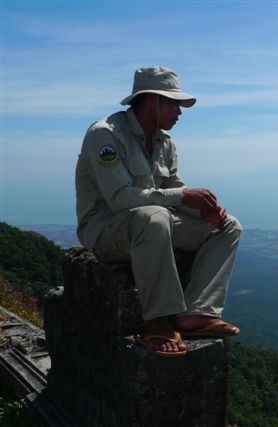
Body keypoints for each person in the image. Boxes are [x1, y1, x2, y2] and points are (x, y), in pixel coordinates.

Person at [75, 66, 242, 357]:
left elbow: (174, 192)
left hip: (149, 226)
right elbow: (120, 198)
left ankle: (197, 313)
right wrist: (183, 195)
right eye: (174, 104)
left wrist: (204, 212)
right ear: (152, 100)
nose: (179, 112)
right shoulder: (105, 135)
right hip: (106, 231)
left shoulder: (166, 143)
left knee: (229, 226)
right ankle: (157, 321)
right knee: (155, 216)